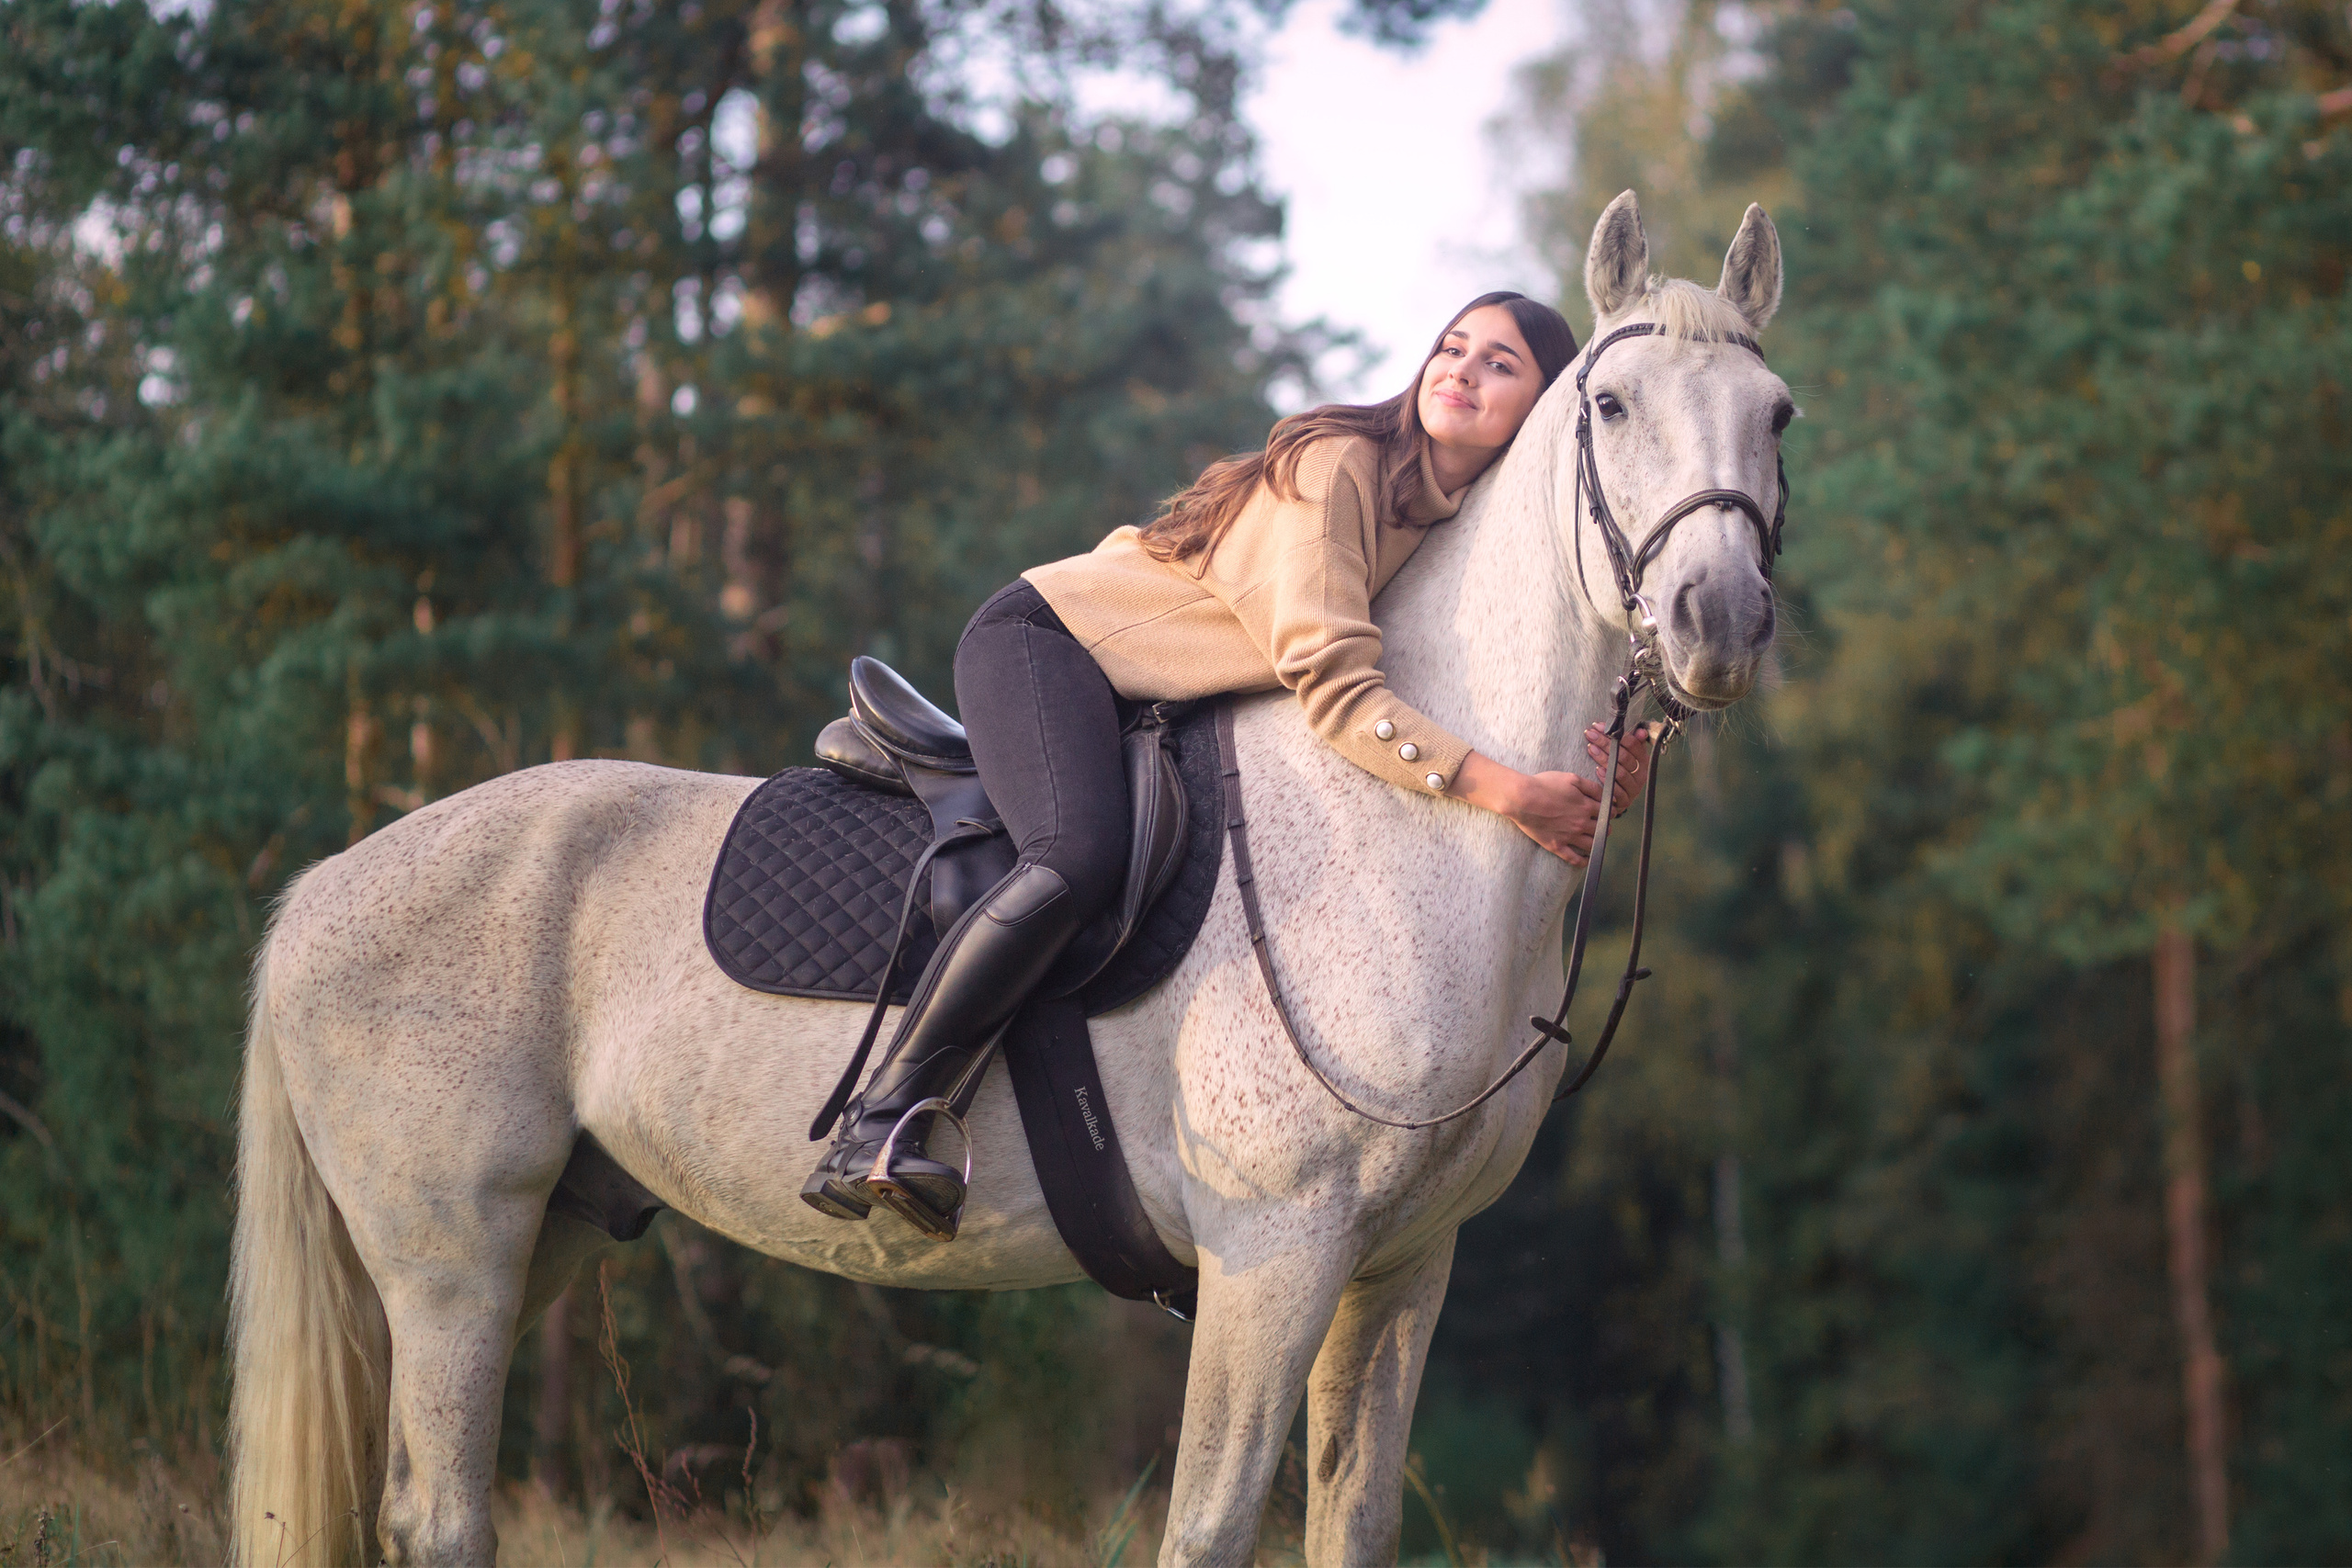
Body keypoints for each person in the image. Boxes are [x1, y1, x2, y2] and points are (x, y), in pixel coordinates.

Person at [804, 291, 1656, 1239]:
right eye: (1452, 347)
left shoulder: (1451, 521)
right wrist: (1507, 792)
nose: (1459, 369)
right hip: (1055, 644)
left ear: (1540, 409)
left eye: (1499, 363)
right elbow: (1334, 689)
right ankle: (880, 1119)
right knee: (1074, 854)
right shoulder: (1343, 462)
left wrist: (1596, 759)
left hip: (1158, 694)